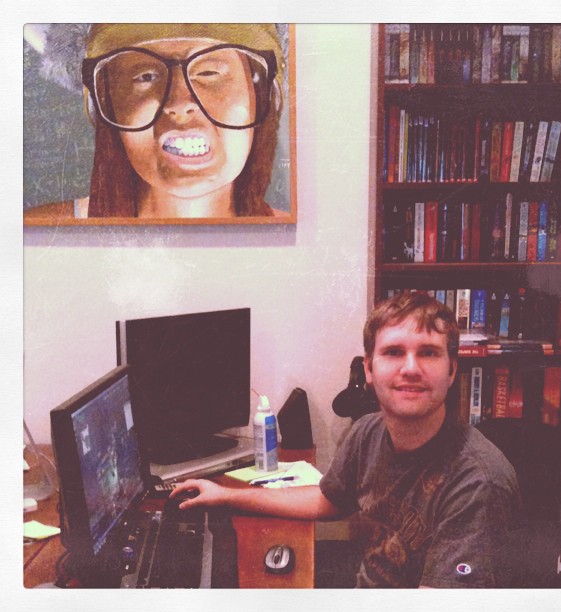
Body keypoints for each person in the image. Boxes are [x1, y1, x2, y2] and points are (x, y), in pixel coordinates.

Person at [171, 291, 523, 588]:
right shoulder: (369, 432)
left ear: (452, 370)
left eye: (429, 352)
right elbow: (329, 500)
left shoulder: (478, 482)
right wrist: (227, 497)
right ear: (369, 369)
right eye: (394, 352)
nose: (411, 368)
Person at [24, 23, 288, 220]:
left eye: (209, 72)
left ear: (262, 95)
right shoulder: (36, 236)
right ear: (106, 103)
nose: (180, 103)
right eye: (146, 76)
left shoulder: (309, 246)